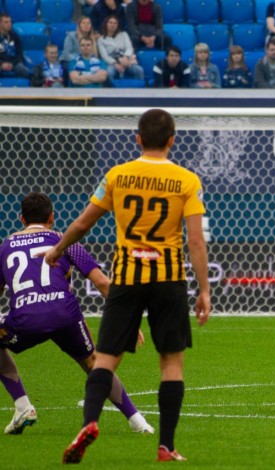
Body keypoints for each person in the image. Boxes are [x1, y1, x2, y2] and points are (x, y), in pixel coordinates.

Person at [49, 108, 211, 464]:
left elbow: (83, 224)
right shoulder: (186, 180)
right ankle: (166, 447)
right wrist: (204, 290)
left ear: (137, 138)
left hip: (127, 277)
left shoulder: (117, 175)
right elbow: (196, 241)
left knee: (106, 359)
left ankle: (89, 423)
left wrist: (58, 250)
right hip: (167, 278)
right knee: (171, 365)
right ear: (172, 141)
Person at [0, 192, 153, 436]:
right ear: (52, 217)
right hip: (65, 315)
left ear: (21, 219)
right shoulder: (64, 240)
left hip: (25, 319)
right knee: (94, 364)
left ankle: (23, 406)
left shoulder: (6, 246)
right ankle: (138, 422)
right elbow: (102, 283)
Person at [98, 15, 144, 82]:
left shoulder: (124, 34)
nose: (112, 25)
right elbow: (105, 56)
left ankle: (140, 87)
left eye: (115, 23)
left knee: (139, 70)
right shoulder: (101, 40)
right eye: (110, 22)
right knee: (109, 73)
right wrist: (116, 64)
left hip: (126, 60)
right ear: (106, 24)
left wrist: (125, 57)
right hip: (112, 63)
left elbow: (129, 48)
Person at [0, 14, 30, 79]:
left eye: (10, 22)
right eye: (6, 22)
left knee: (25, 71)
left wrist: (12, 64)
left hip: (14, 62)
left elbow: (19, 53)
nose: (9, 24)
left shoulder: (15, 35)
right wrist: (1, 64)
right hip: (1, 62)